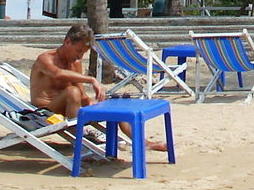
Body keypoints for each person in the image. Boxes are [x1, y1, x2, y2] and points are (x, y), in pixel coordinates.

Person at [29, 24, 166, 153]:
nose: (80, 56)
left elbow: (81, 94)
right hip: (45, 111)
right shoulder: (45, 59)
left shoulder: (74, 63)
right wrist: (91, 79)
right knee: (72, 91)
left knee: (114, 104)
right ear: (68, 42)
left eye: (83, 53)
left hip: (68, 107)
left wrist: (95, 101)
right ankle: (80, 145)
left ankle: (143, 143)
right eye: (79, 51)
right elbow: (57, 74)